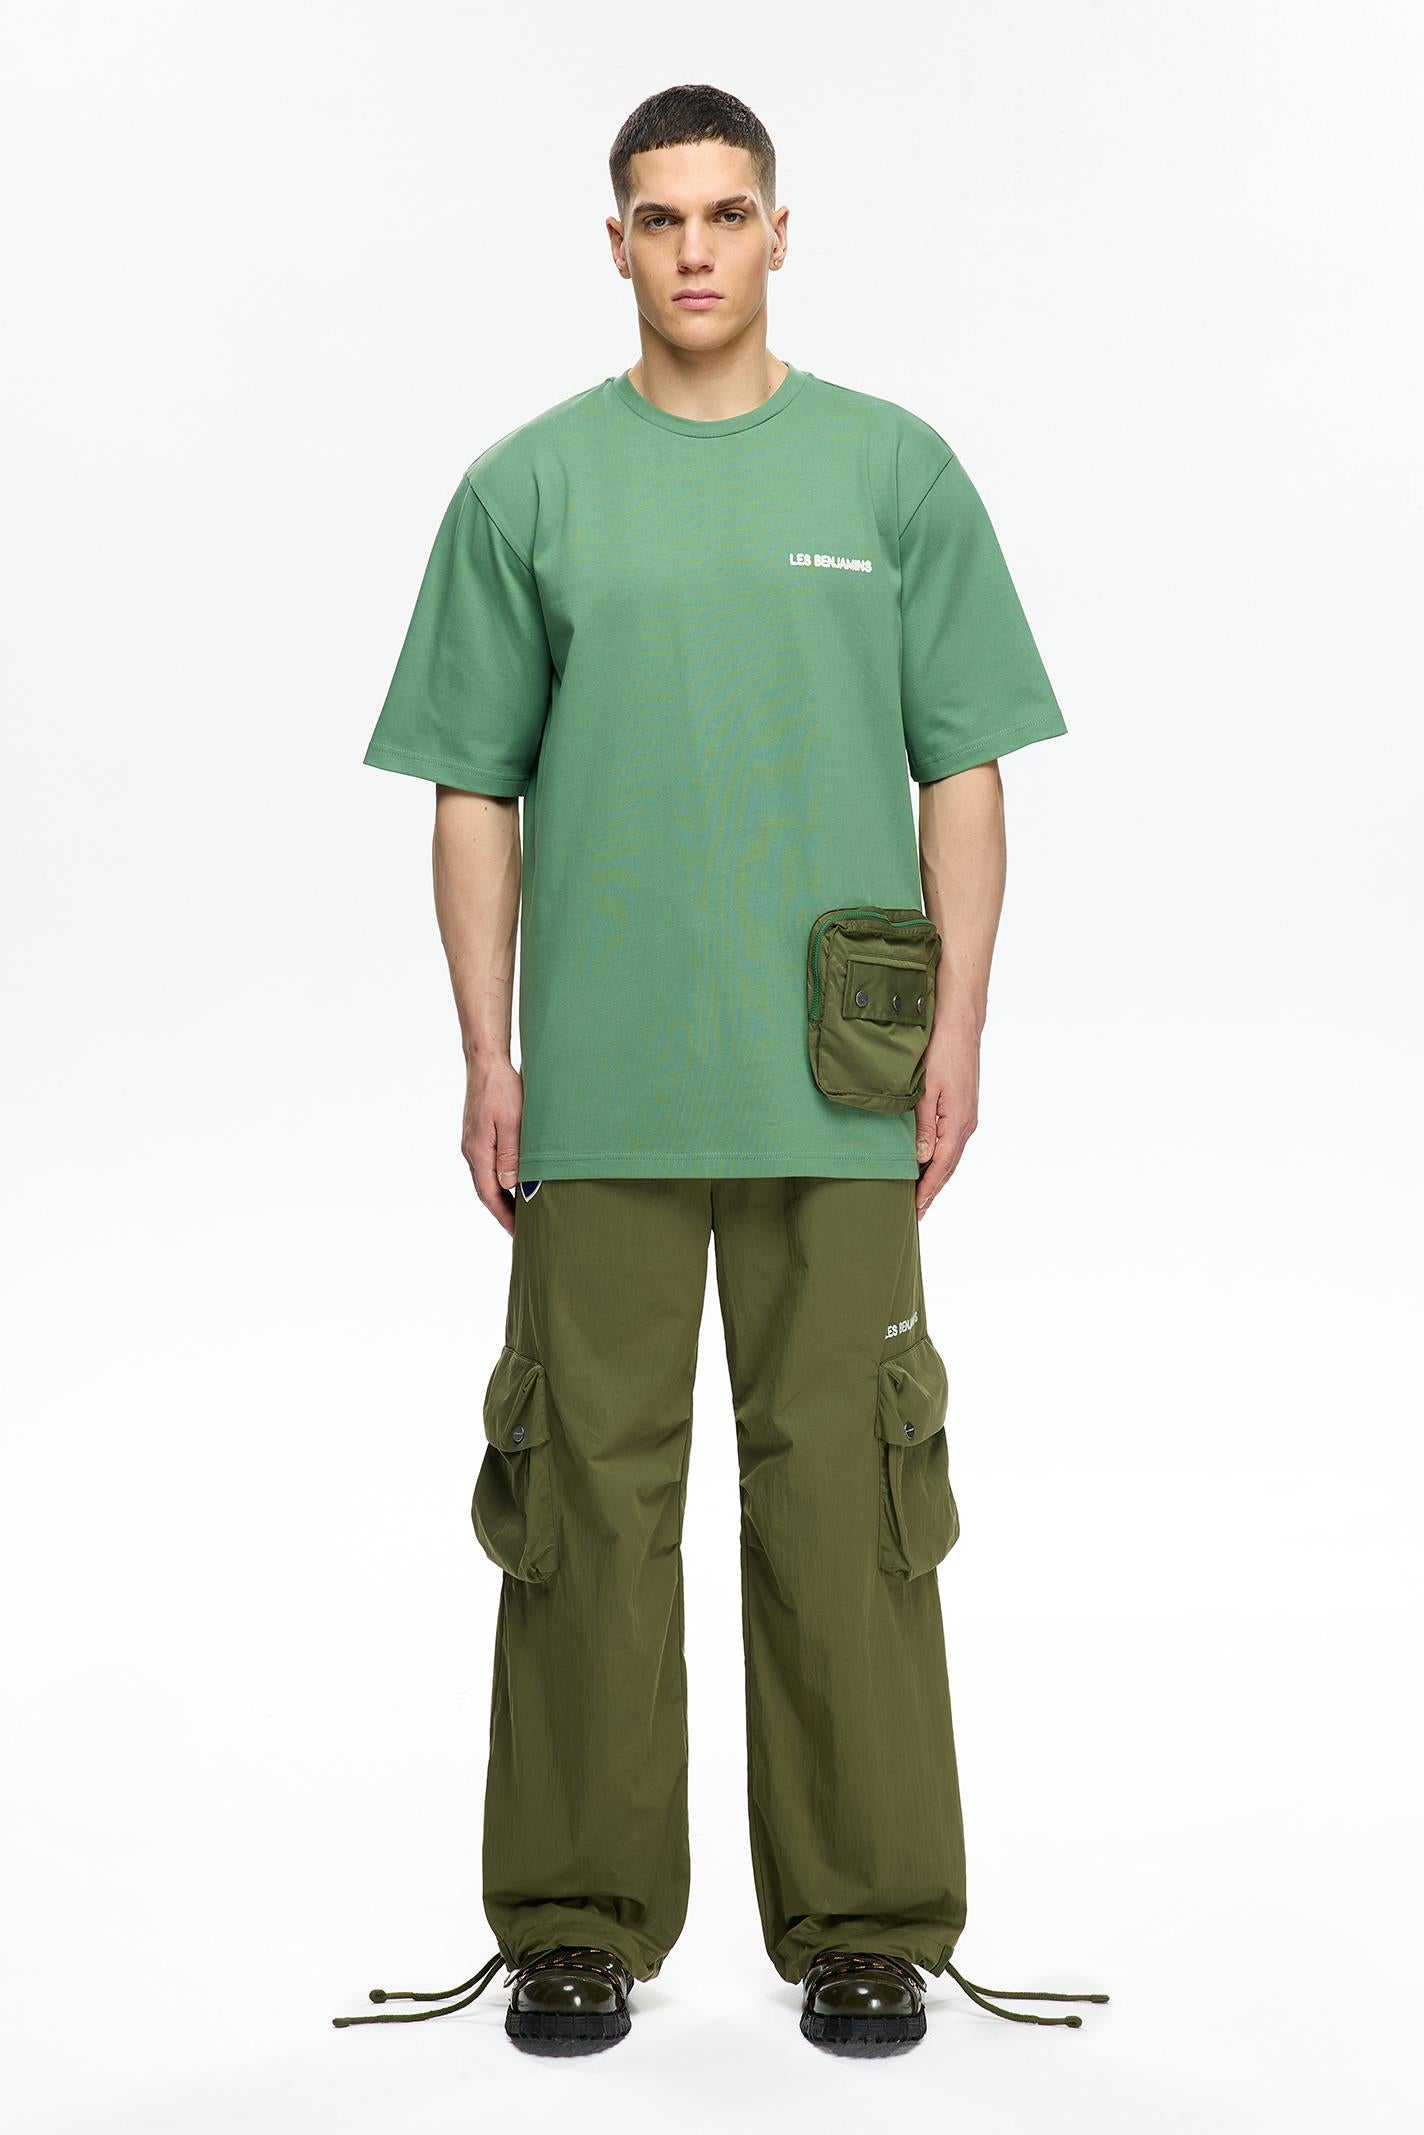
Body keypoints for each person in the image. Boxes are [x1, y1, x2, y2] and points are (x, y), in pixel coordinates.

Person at [333, 81, 1107, 2057]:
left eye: (727, 213)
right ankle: (572, 1919)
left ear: (779, 230)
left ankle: (867, 1922)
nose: (694, 248)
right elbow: (471, 789)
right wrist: (487, 1053)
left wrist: (962, 1024)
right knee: (582, 1505)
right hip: (601, 1084)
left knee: (849, 1500)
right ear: (614, 242)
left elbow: (963, 765)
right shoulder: (527, 490)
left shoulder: (892, 472)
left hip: (838, 1084)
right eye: (660, 217)